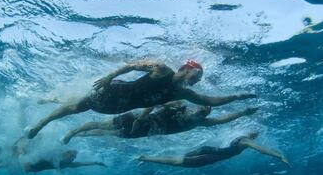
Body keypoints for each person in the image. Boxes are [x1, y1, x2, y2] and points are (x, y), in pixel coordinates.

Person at [25, 60, 256, 140]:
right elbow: (132, 65)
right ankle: (40, 123)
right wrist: (109, 76)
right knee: (76, 106)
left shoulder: (183, 94)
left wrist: (239, 96)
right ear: (187, 68)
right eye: (197, 75)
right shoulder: (163, 70)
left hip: (118, 107)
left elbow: (212, 101)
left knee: (78, 104)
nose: (197, 81)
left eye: (199, 79)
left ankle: (52, 99)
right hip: (113, 92)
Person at [62, 101, 259, 144]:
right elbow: (156, 102)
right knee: (103, 125)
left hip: (146, 131)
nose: (202, 112)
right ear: (196, 106)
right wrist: (140, 118)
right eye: (202, 108)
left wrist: (244, 112)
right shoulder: (179, 106)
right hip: (138, 119)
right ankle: (73, 131)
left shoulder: (199, 123)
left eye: (205, 112)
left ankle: (81, 133)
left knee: (110, 133)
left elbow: (224, 119)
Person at [137, 131, 290, 168]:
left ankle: (147, 157)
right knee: (179, 162)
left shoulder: (239, 137)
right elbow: (261, 149)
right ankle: (145, 157)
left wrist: (279, 154)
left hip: (209, 150)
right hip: (210, 156)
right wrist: (279, 157)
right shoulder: (245, 140)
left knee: (179, 157)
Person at [23, 150, 106, 173]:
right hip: (30, 164)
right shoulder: (56, 155)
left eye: (74, 157)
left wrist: (96, 163)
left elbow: (82, 164)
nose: (73, 159)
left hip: (34, 169)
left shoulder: (67, 164)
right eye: (72, 156)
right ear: (66, 154)